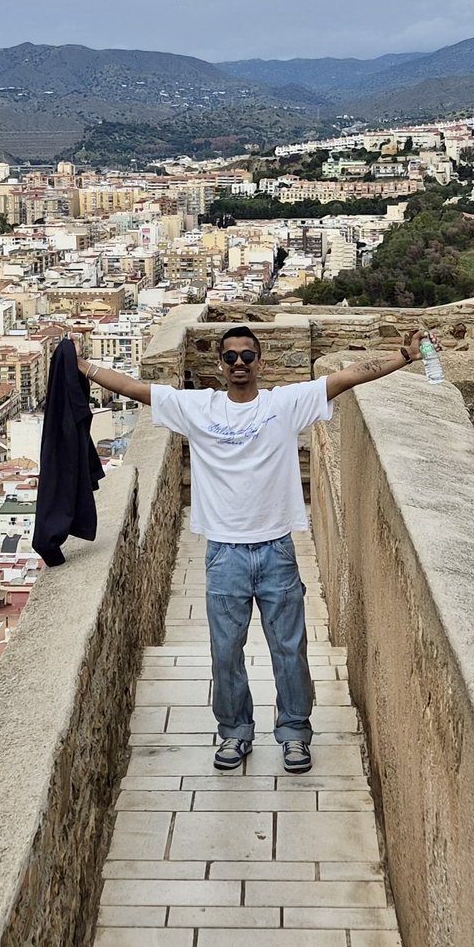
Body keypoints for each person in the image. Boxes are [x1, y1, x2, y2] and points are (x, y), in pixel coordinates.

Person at [78, 325, 415, 772]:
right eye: (231, 356)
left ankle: (294, 732)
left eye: (247, 356)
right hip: (224, 554)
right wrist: (83, 367)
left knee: (288, 648)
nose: (239, 363)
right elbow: (136, 389)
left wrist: (403, 358)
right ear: (220, 364)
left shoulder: (283, 405)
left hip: (276, 548)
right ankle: (234, 732)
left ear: (261, 362)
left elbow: (348, 376)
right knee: (225, 653)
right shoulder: (198, 408)